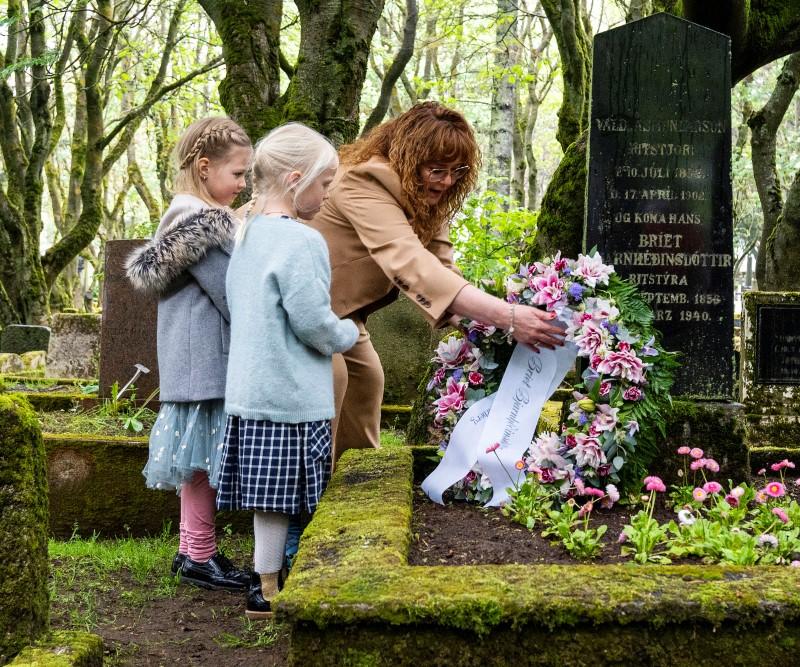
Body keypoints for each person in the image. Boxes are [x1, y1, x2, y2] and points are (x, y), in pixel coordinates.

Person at [307, 101, 563, 459]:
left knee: (366, 383)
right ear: (409, 158)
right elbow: (410, 263)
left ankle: (352, 486)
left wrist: (482, 332)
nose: (447, 180)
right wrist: (508, 316)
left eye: (457, 170)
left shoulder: (425, 193)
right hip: (300, 307)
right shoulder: (364, 180)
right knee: (331, 381)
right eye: (437, 169)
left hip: (341, 313)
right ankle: (305, 495)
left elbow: (441, 267)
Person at [216, 123, 359, 620]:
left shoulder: (247, 233)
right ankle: (275, 584)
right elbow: (312, 321)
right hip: (293, 393)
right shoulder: (302, 241)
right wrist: (347, 335)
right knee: (293, 495)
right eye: (325, 183)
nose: (328, 193)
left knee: (269, 498)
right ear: (296, 178)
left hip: (250, 387)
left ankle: (264, 582)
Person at [125, 116, 252, 591]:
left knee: (198, 459)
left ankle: (190, 550)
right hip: (206, 359)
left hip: (195, 358)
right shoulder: (201, 224)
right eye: (237, 174)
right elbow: (232, 295)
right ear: (204, 167)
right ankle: (200, 554)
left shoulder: (190, 216)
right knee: (201, 462)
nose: (243, 185)